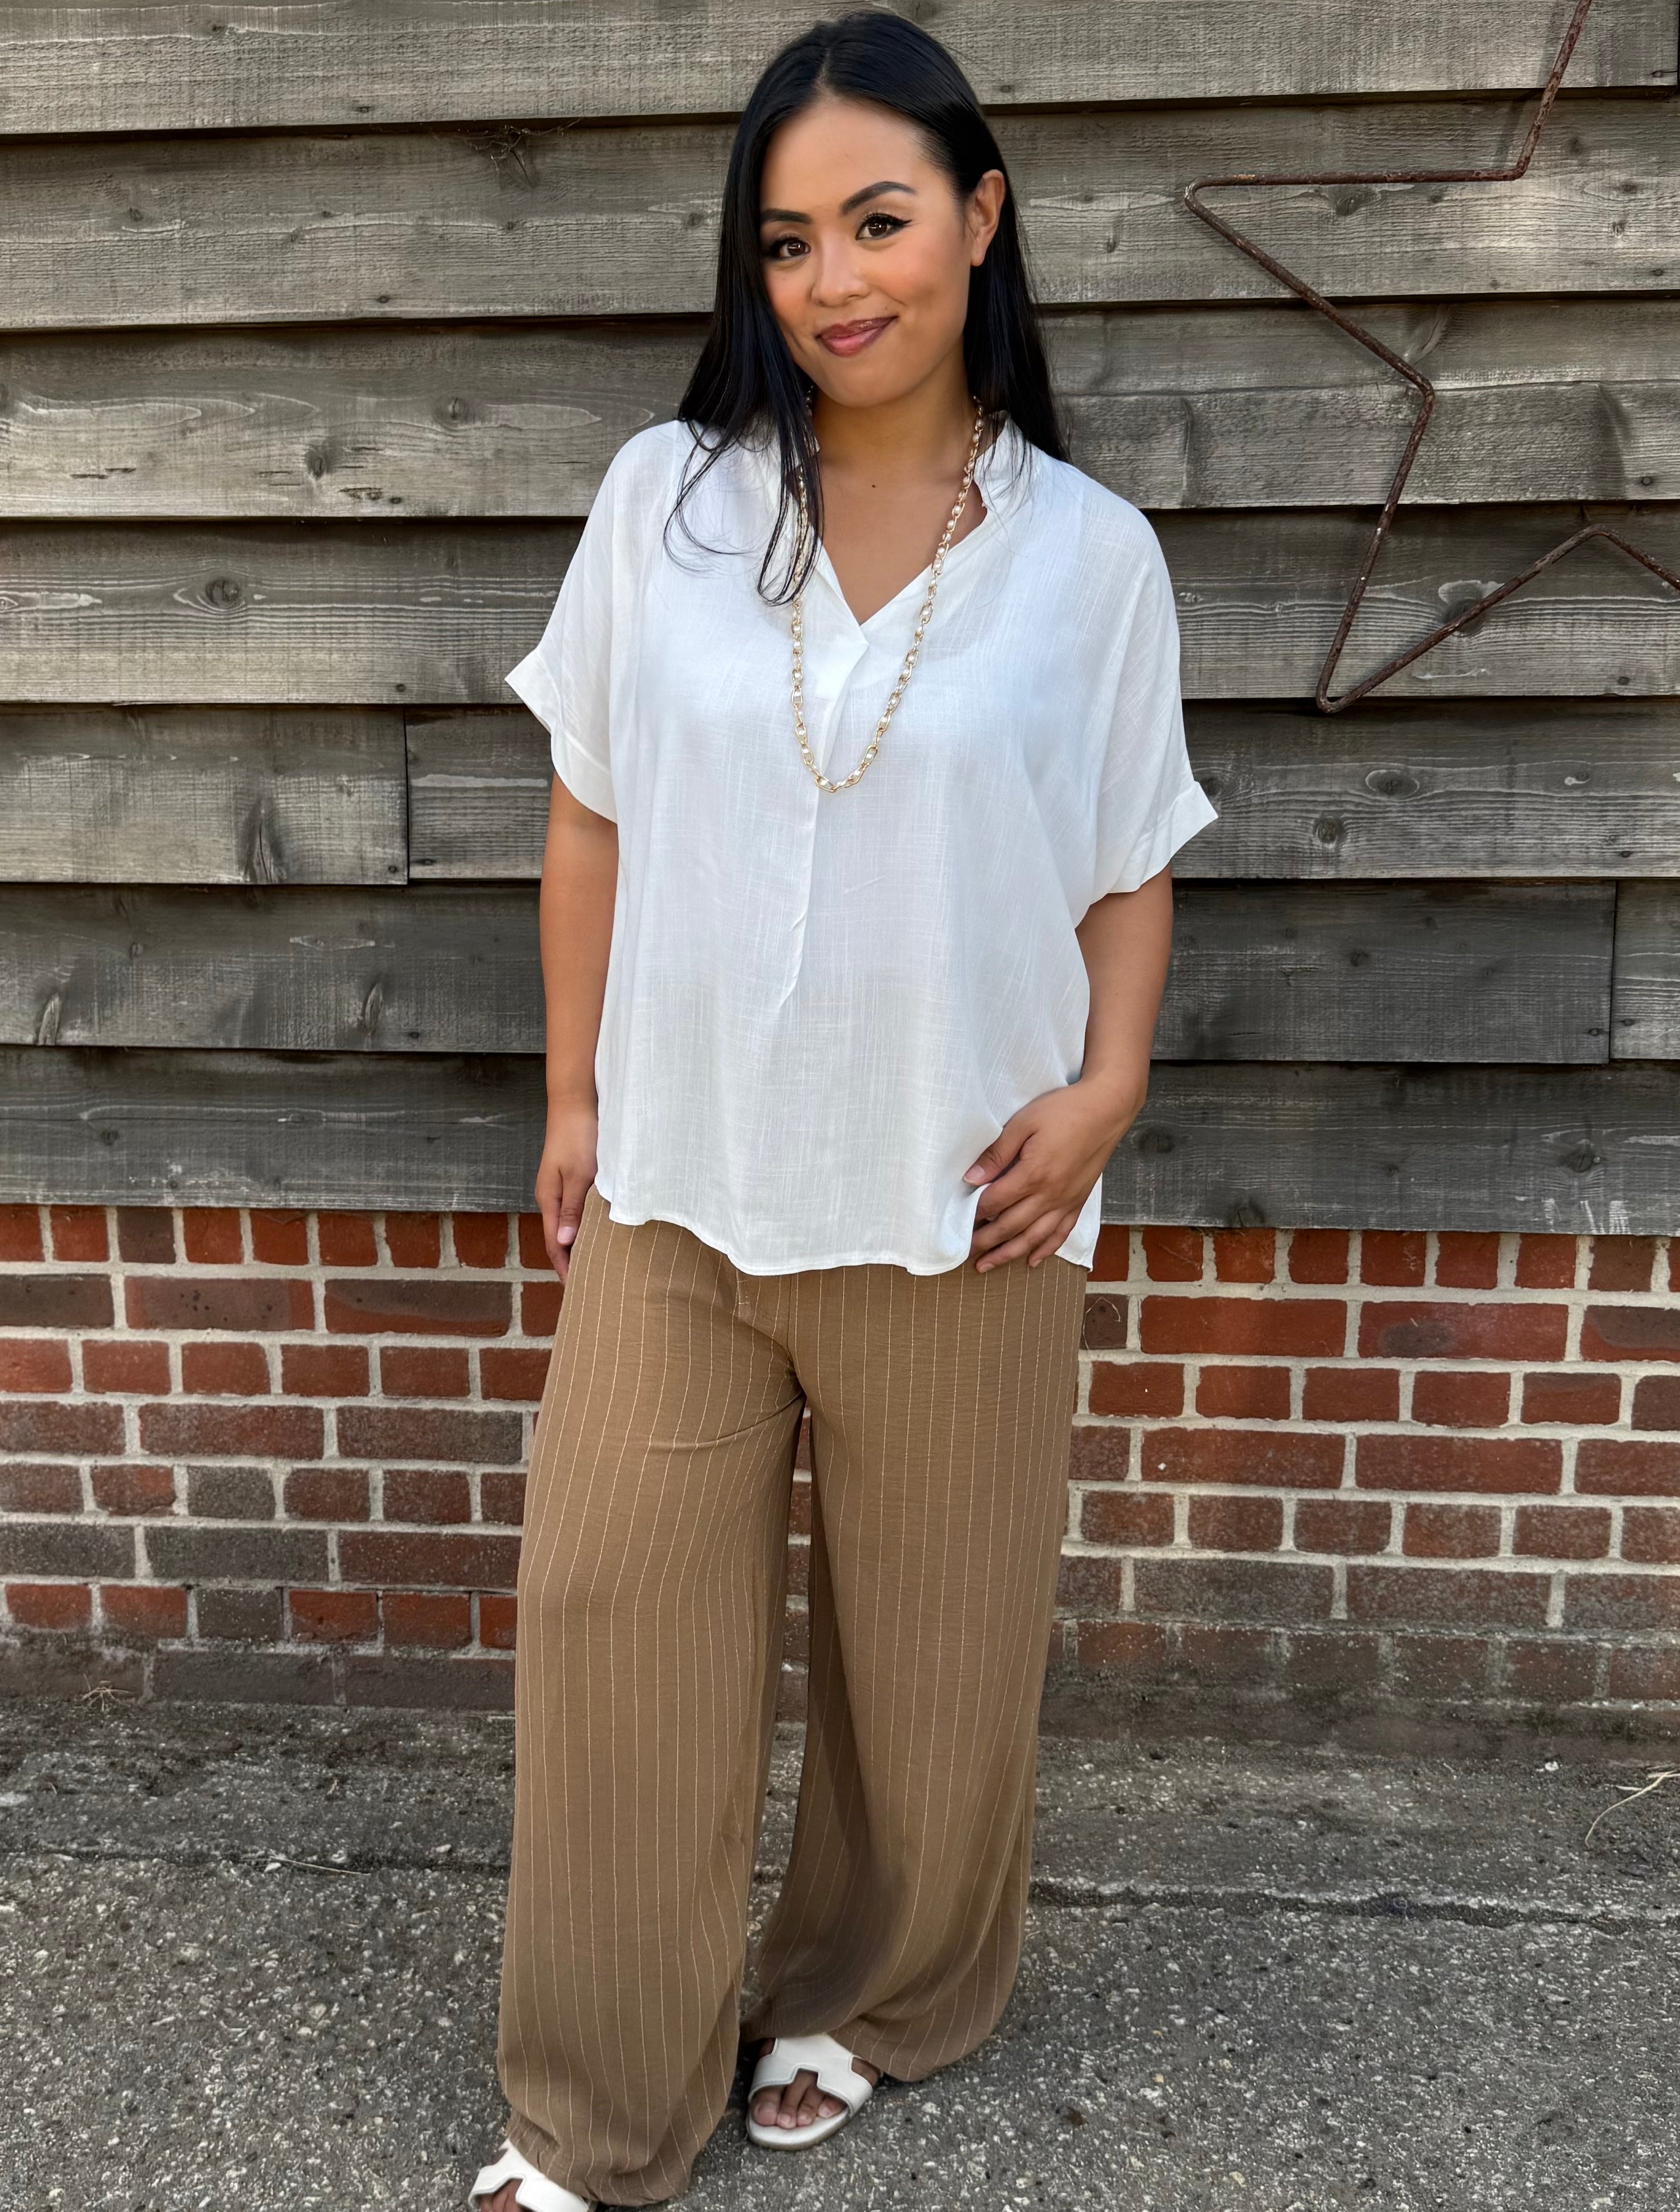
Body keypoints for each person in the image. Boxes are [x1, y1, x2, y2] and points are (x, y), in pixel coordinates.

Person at [467, 13, 1216, 2208]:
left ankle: (871, 1996)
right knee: (613, 1627)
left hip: (958, 1197)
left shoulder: (1089, 560)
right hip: (684, 1190)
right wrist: (571, 1093)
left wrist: (1106, 1087)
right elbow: (586, 814)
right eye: (786, 237)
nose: (831, 276)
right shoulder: (665, 499)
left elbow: (1123, 856)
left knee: (929, 1658)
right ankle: (594, 2110)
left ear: (978, 218)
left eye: (876, 218)